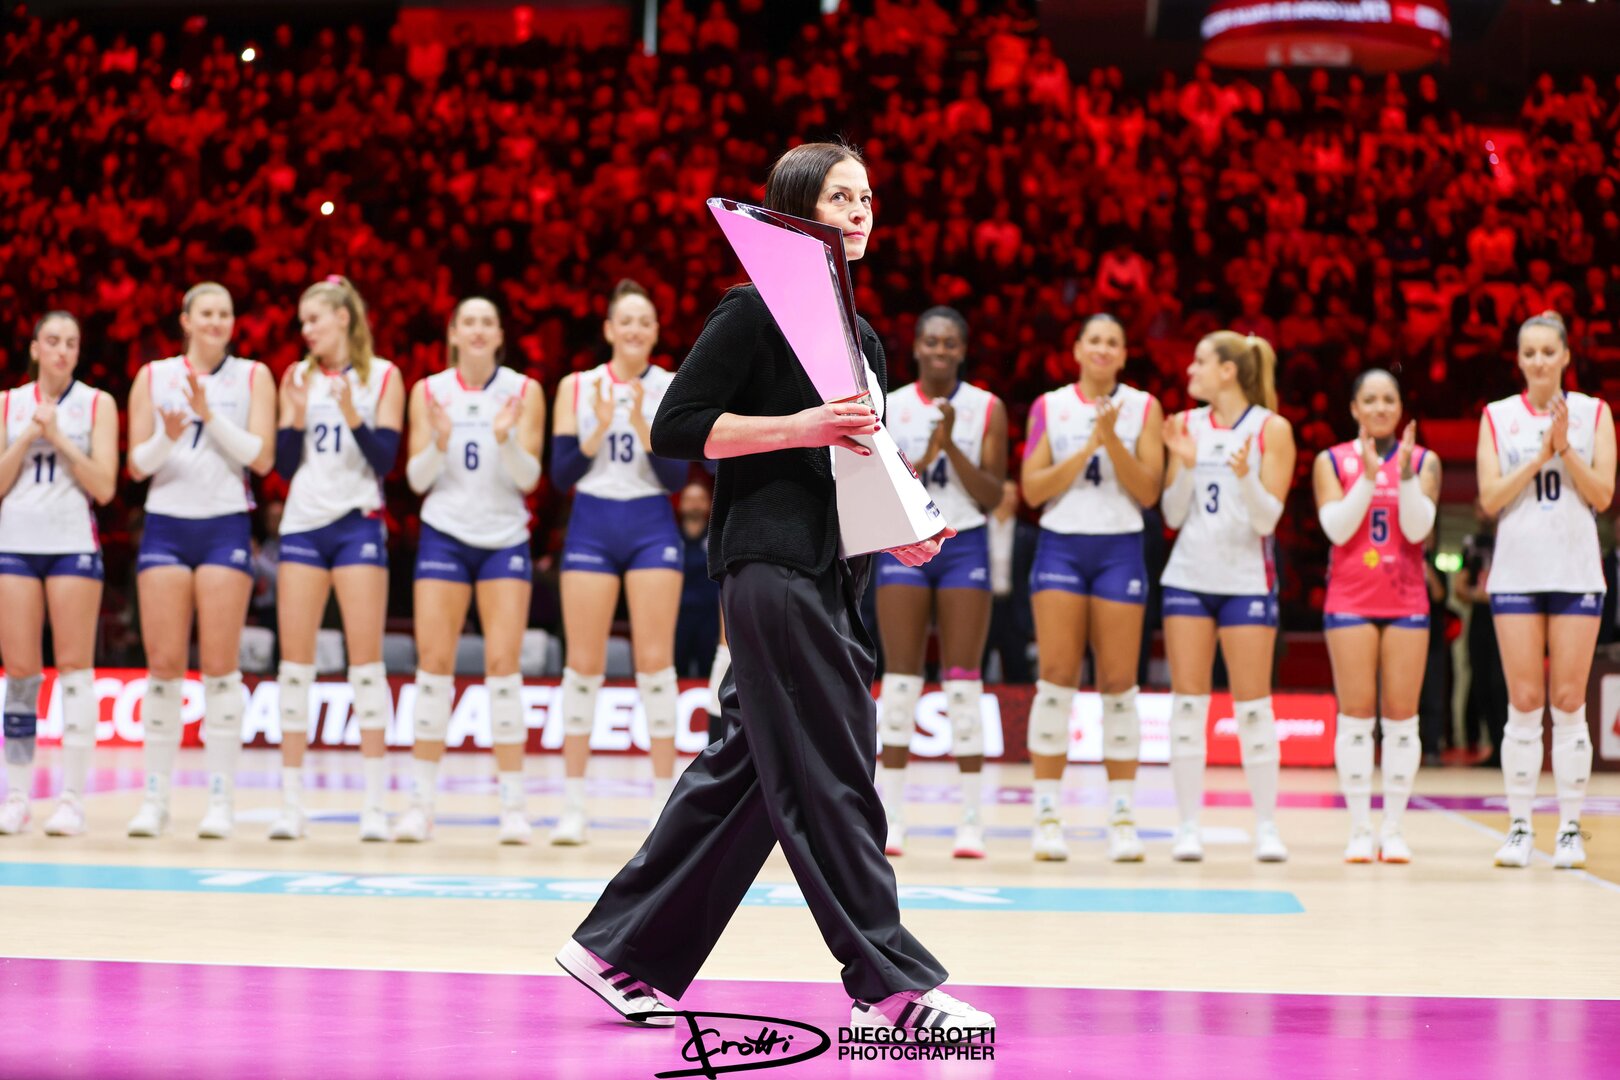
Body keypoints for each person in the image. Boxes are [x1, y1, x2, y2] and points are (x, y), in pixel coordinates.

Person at [556, 141, 993, 1037]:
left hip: (831, 574)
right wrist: (799, 425)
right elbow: (677, 426)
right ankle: (893, 986)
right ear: (798, 210)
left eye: (866, 197)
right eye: (840, 197)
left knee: (744, 779)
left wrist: (904, 525)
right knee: (835, 775)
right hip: (771, 567)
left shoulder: (863, 338)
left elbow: (856, 463)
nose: (860, 211)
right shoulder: (752, 309)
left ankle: (619, 951)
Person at [125, 283, 275, 838]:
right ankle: (155, 800)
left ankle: (221, 800)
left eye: (225, 313)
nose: (216, 321)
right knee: (164, 664)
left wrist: (209, 416)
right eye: (206, 312)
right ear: (185, 320)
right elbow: (137, 466)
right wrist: (167, 438)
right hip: (166, 522)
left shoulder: (253, 376)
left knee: (219, 666)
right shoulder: (153, 376)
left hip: (225, 523)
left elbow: (262, 457)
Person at [399, 297, 545, 844]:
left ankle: (513, 809)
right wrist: (439, 440)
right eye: (469, 322)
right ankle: (420, 807)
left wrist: (505, 436)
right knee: (433, 667)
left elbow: (529, 479)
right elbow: (417, 480)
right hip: (445, 533)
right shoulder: (429, 391)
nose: (478, 330)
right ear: (454, 333)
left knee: (503, 670)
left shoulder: (524, 391)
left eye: (488, 322)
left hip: (504, 538)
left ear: (499, 334)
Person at [1019, 314, 1164, 862]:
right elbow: (1033, 489)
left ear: (1123, 355)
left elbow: (1148, 491)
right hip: (1061, 545)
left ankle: (1122, 819)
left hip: (1120, 547)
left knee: (1119, 685)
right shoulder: (1050, 406)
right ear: (1078, 349)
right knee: (1056, 681)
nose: (1103, 349)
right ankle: (1046, 817)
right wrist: (1086, 449)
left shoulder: (1145, 407)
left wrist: (1112, 441)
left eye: (1113, 343)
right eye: (1095, 340)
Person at [548, 279, 687, 843]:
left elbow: (676, 478)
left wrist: (643, 427)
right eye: (625, 320)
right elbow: (560, 475)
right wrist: (602, 425)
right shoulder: (577, 386)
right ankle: (573, 806)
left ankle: (663, 804)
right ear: (608, 329)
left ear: (655, 332)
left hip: (651, 522)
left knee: (656, 666)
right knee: (582, 667)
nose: (634, 329)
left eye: (644, 321)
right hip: (592, 522)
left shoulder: (672, 385)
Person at [267, 277, 404, 841]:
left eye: (314, 320)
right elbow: (282, 466)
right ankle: (290, 804)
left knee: (365, 665)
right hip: (303, 523)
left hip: (357, 523)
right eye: (303, 322)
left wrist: (352, 414)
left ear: (343, 318)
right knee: (294, 666)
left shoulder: (384, 376)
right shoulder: (295, 378)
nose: (306, 331)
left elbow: (386, 460)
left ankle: (374, 804)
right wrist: (297, 416)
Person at [1477, 311, 1613, 869]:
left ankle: (1571, 831)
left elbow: (1602, 495)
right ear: (1519, 359)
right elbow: (1489, 499)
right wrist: (1539, 456)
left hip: (1576, 571)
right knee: (1526, 702)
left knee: (1569, 701)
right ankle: (1518, 828)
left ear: (1565, 357)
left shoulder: (1594, 412)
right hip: (1517, 573)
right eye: (1529, 352)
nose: (1538, 361)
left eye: (1548, 352)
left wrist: (1566, 450)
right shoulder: (1498, 416)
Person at [874, 306, 1008, 859]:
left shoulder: (986, 407)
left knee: (963, 681)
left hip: (965, 541)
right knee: (900, 679)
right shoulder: (891, 403)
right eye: (931, 341)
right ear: (917, 347)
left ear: (962, 350)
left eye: (950, 342)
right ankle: (893, 817)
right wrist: (929, 454)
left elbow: (993, 494)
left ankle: (971, 821)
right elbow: (881, 482)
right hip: (905, 540)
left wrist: (951, 444)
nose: (940, 350)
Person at [1160, 330, 1296, 863]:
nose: (1190, 371)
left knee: (1254, 708)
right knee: (1188, 705)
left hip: (1246, 580)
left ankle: (1267, 827)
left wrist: (1244, 478)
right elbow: (1173, 514)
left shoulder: (1271, 428)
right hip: (1189, 576)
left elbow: (1267, 520)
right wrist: (1187, 465)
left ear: (1228, 370)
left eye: (1200, 362)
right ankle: (1187, 827)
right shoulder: (1185, 424)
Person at [1313, 369, 1441, 863]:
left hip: (1406, 600)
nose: (1381, 407)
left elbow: (1418, 529)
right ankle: (1359, 829)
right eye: (1370, 399)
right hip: (1350, 599)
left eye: (1389, 399)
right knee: (1356, 717)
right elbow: (1337, 530)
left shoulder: (1423, 461)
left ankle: (1394, 829)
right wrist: (1368, 477)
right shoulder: (1332, 460)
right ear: (1354, 408)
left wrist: (1403, 474)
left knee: (1402, 720)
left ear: (1401, 407)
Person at [0, 313, 118, 836]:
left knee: (75, 671)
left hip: (72, 544)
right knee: (20, 674)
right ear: (35, 348)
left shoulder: (96, 403)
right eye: (52, 341)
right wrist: (30, 433)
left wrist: (61, 439)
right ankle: (17, 797)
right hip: (15, 543)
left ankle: (72, 800)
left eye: (71, 342)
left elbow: (105, 486)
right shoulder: (8, 403)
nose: (62, 350)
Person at [982, 478, 1036, 685]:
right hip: (985, 607)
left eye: (1014, 493)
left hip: (1014, 609)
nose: (1009, 498)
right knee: (978, 664)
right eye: (1005, 493)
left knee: (1018, 669)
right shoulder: (978, 531)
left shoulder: (1028, 534)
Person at [674, 481, 719, 677]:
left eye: (700, 499)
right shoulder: (669, 537)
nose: (694, 504)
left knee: (710, 673)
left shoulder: (718, 537)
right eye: (689, 499)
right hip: (677, 617)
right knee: (675, 671)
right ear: (680, 504)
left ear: (709, 504)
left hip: (710, 618)